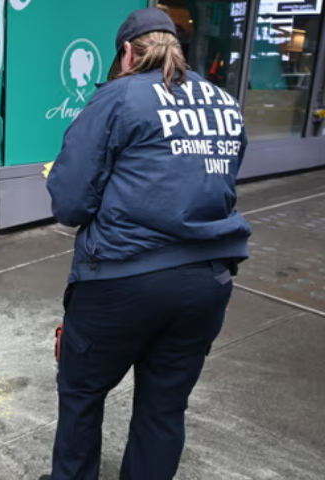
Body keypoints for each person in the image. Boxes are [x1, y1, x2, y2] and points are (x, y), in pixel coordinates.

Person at [42, 8, 251, 480]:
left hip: (121, 279)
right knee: (164, 408)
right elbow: (220, 184)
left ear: (128, 53)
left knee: (81, 395)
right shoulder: (224, 101)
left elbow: (71, 203)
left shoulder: (118, 97)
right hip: (206, 280)